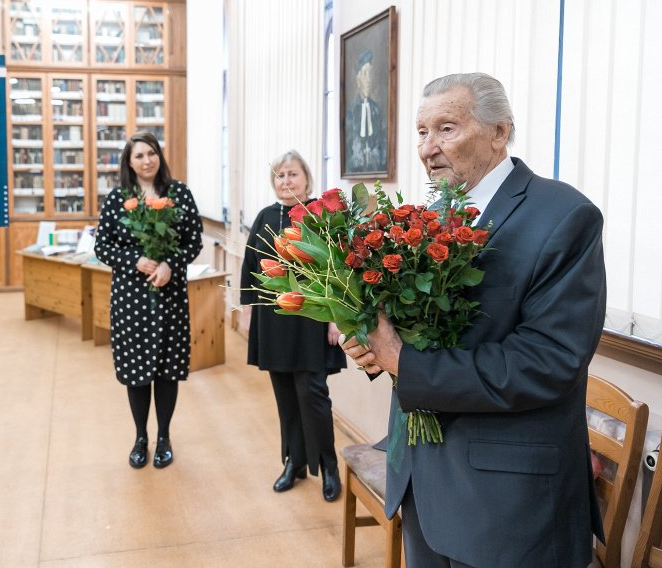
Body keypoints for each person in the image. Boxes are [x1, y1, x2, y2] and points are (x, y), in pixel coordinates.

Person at [341, 72, 606, 567]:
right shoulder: (432, 218)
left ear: (499, 132)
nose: (427, 149)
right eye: (421, 132)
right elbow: (421, 337)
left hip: (506, 504)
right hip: (423, 480)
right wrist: (374, 349)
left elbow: (546, 362)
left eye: (446, 129)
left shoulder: (564, 216)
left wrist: (403, 361)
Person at [239, 150, 345, 502]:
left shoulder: (320, 215)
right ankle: (294, 462)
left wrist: (334, 316)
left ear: (306, 178)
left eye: (292, 174)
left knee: (313, 395)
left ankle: (328, 466)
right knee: (284, 395)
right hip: (274, 318)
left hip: (312, 316)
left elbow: (337, 270)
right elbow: (251, 266)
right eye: (280, 176)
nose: (286, 181)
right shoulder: (265, 216)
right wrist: (248, 310)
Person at [95, 131, 203, 470]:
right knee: (136, 371)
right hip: (131, 297)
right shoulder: (118, 199)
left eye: (151, 153)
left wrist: (172, 265)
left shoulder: (179, 193)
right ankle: (141, 436)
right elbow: (103, 247)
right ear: (129, 162)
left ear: (159, 156)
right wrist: (133, 261)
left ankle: (165, 437)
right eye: (139, 155)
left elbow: (194, 241)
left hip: (169, 294)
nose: (146, 160)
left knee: (167, 369)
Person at [345, 49, 385, 173]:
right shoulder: (350, 110)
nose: (368, 80)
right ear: (358, 78)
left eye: (370, 74)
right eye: (364, 74)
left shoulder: (376, 110)